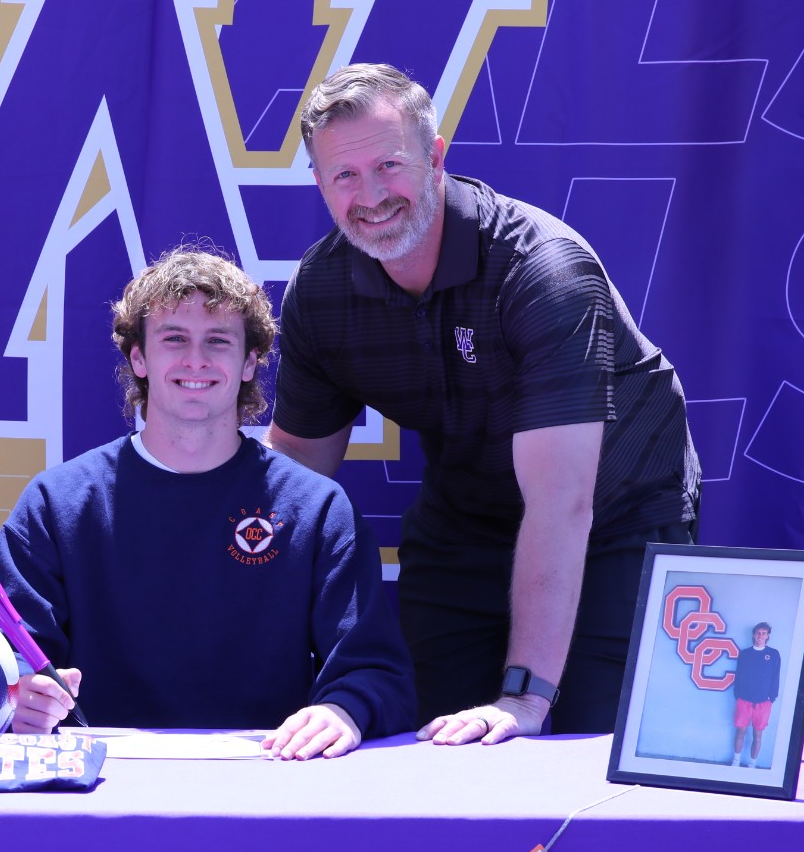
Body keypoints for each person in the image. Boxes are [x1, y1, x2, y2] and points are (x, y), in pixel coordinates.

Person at [265, 63, 700, 744]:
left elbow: (562, 504)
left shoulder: (545, 272)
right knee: (427, 744)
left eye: (389, 165)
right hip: (467, 522)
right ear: (319, 183)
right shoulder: (321, 292)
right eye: (345, 175)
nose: (371, 195)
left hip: (614, 520)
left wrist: (523, 699)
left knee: (589, 750)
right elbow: (296, 473)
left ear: (436, 157)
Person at [0, 248, 416, 759]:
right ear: (138, 358)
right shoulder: (57, 503)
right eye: (174, 339)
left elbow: (377, 672)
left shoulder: (316, 508)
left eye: (218, 340)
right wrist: (16, 696)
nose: (196, 360)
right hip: (101, 781)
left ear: (249, 362)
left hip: (270, 777)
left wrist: (344, 709)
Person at [732, 622, 781, 767]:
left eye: (763, 633)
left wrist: (772, 698)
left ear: (768, 636)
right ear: (754, 635)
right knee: (740, 731)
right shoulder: (745, 653)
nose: (760, 636)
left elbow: (775, 676)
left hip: (763, 702)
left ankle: (752, 764)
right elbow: (739, 674)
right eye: (758, 633)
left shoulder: (773, 654)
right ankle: (735, 762)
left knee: (757, 735)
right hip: (744, 700)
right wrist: (738, 694)